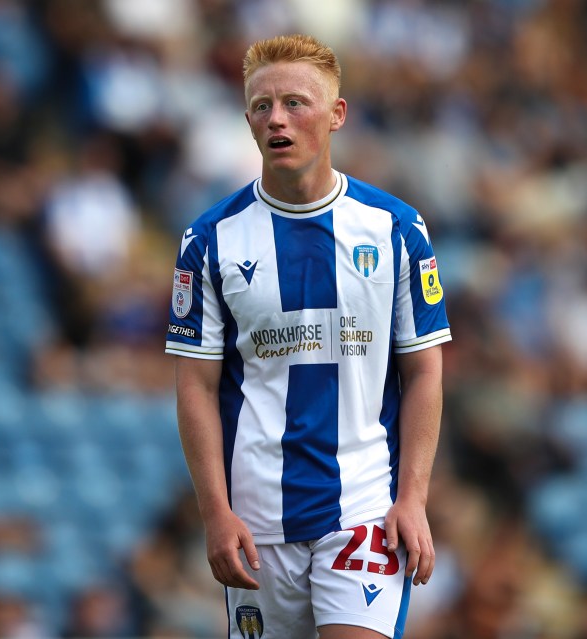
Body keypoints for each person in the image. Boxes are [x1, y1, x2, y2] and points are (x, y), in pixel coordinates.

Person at [165, 34, 451, 639]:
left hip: (364, 510)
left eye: (296, 103)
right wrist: (215, 512)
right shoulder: (209, 240)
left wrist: (413, 498)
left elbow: (424, 370)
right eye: (263, 106)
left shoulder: (395, 229)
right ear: (247, 120)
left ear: (336, 114)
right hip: (257, 518)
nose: (278, 119)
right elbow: (194, 385)